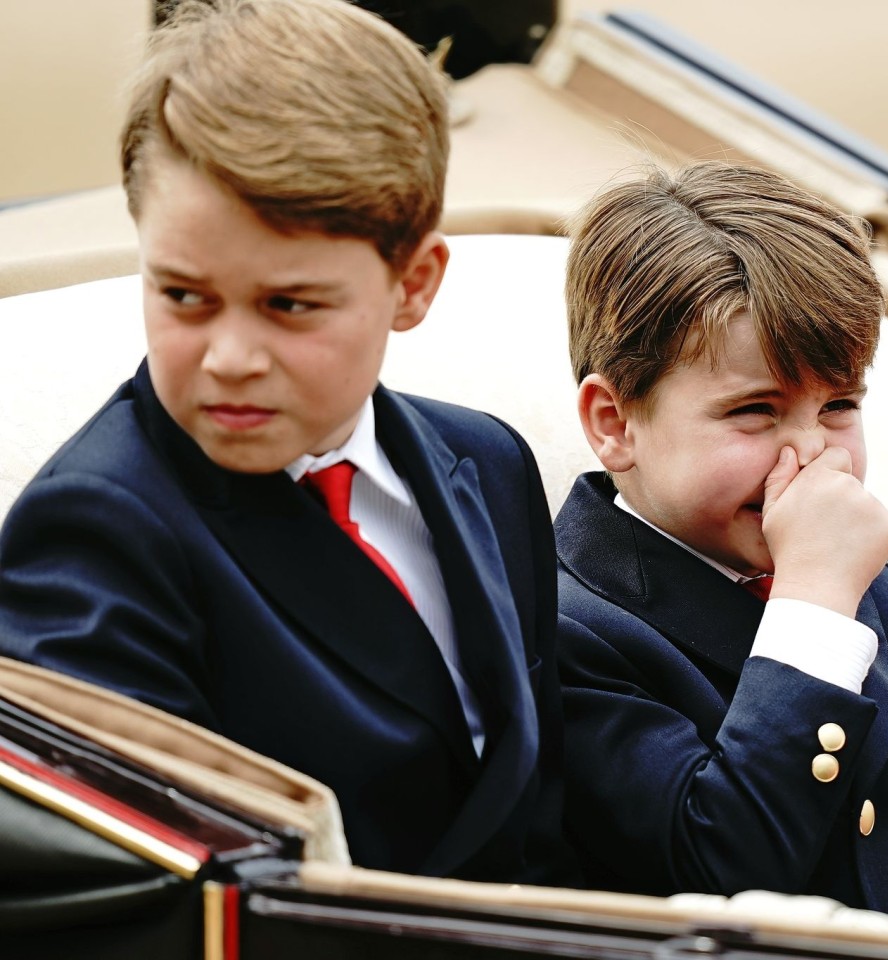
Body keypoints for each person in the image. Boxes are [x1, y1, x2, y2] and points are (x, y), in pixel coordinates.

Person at [0, 0, 572, 884]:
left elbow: (535, 804)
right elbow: (138, 904)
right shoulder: (97, 534)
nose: (228, 359)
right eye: (184, 296)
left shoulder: (489, 462)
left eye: (289, 305)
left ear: (413, 284)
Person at [554, 160, 888, 945]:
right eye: (755, 411)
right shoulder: (565, 631)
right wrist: (811, 599)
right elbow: (720, 866)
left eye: (840, 405)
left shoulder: (883, 596)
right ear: (614, 422)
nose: (813, 454)